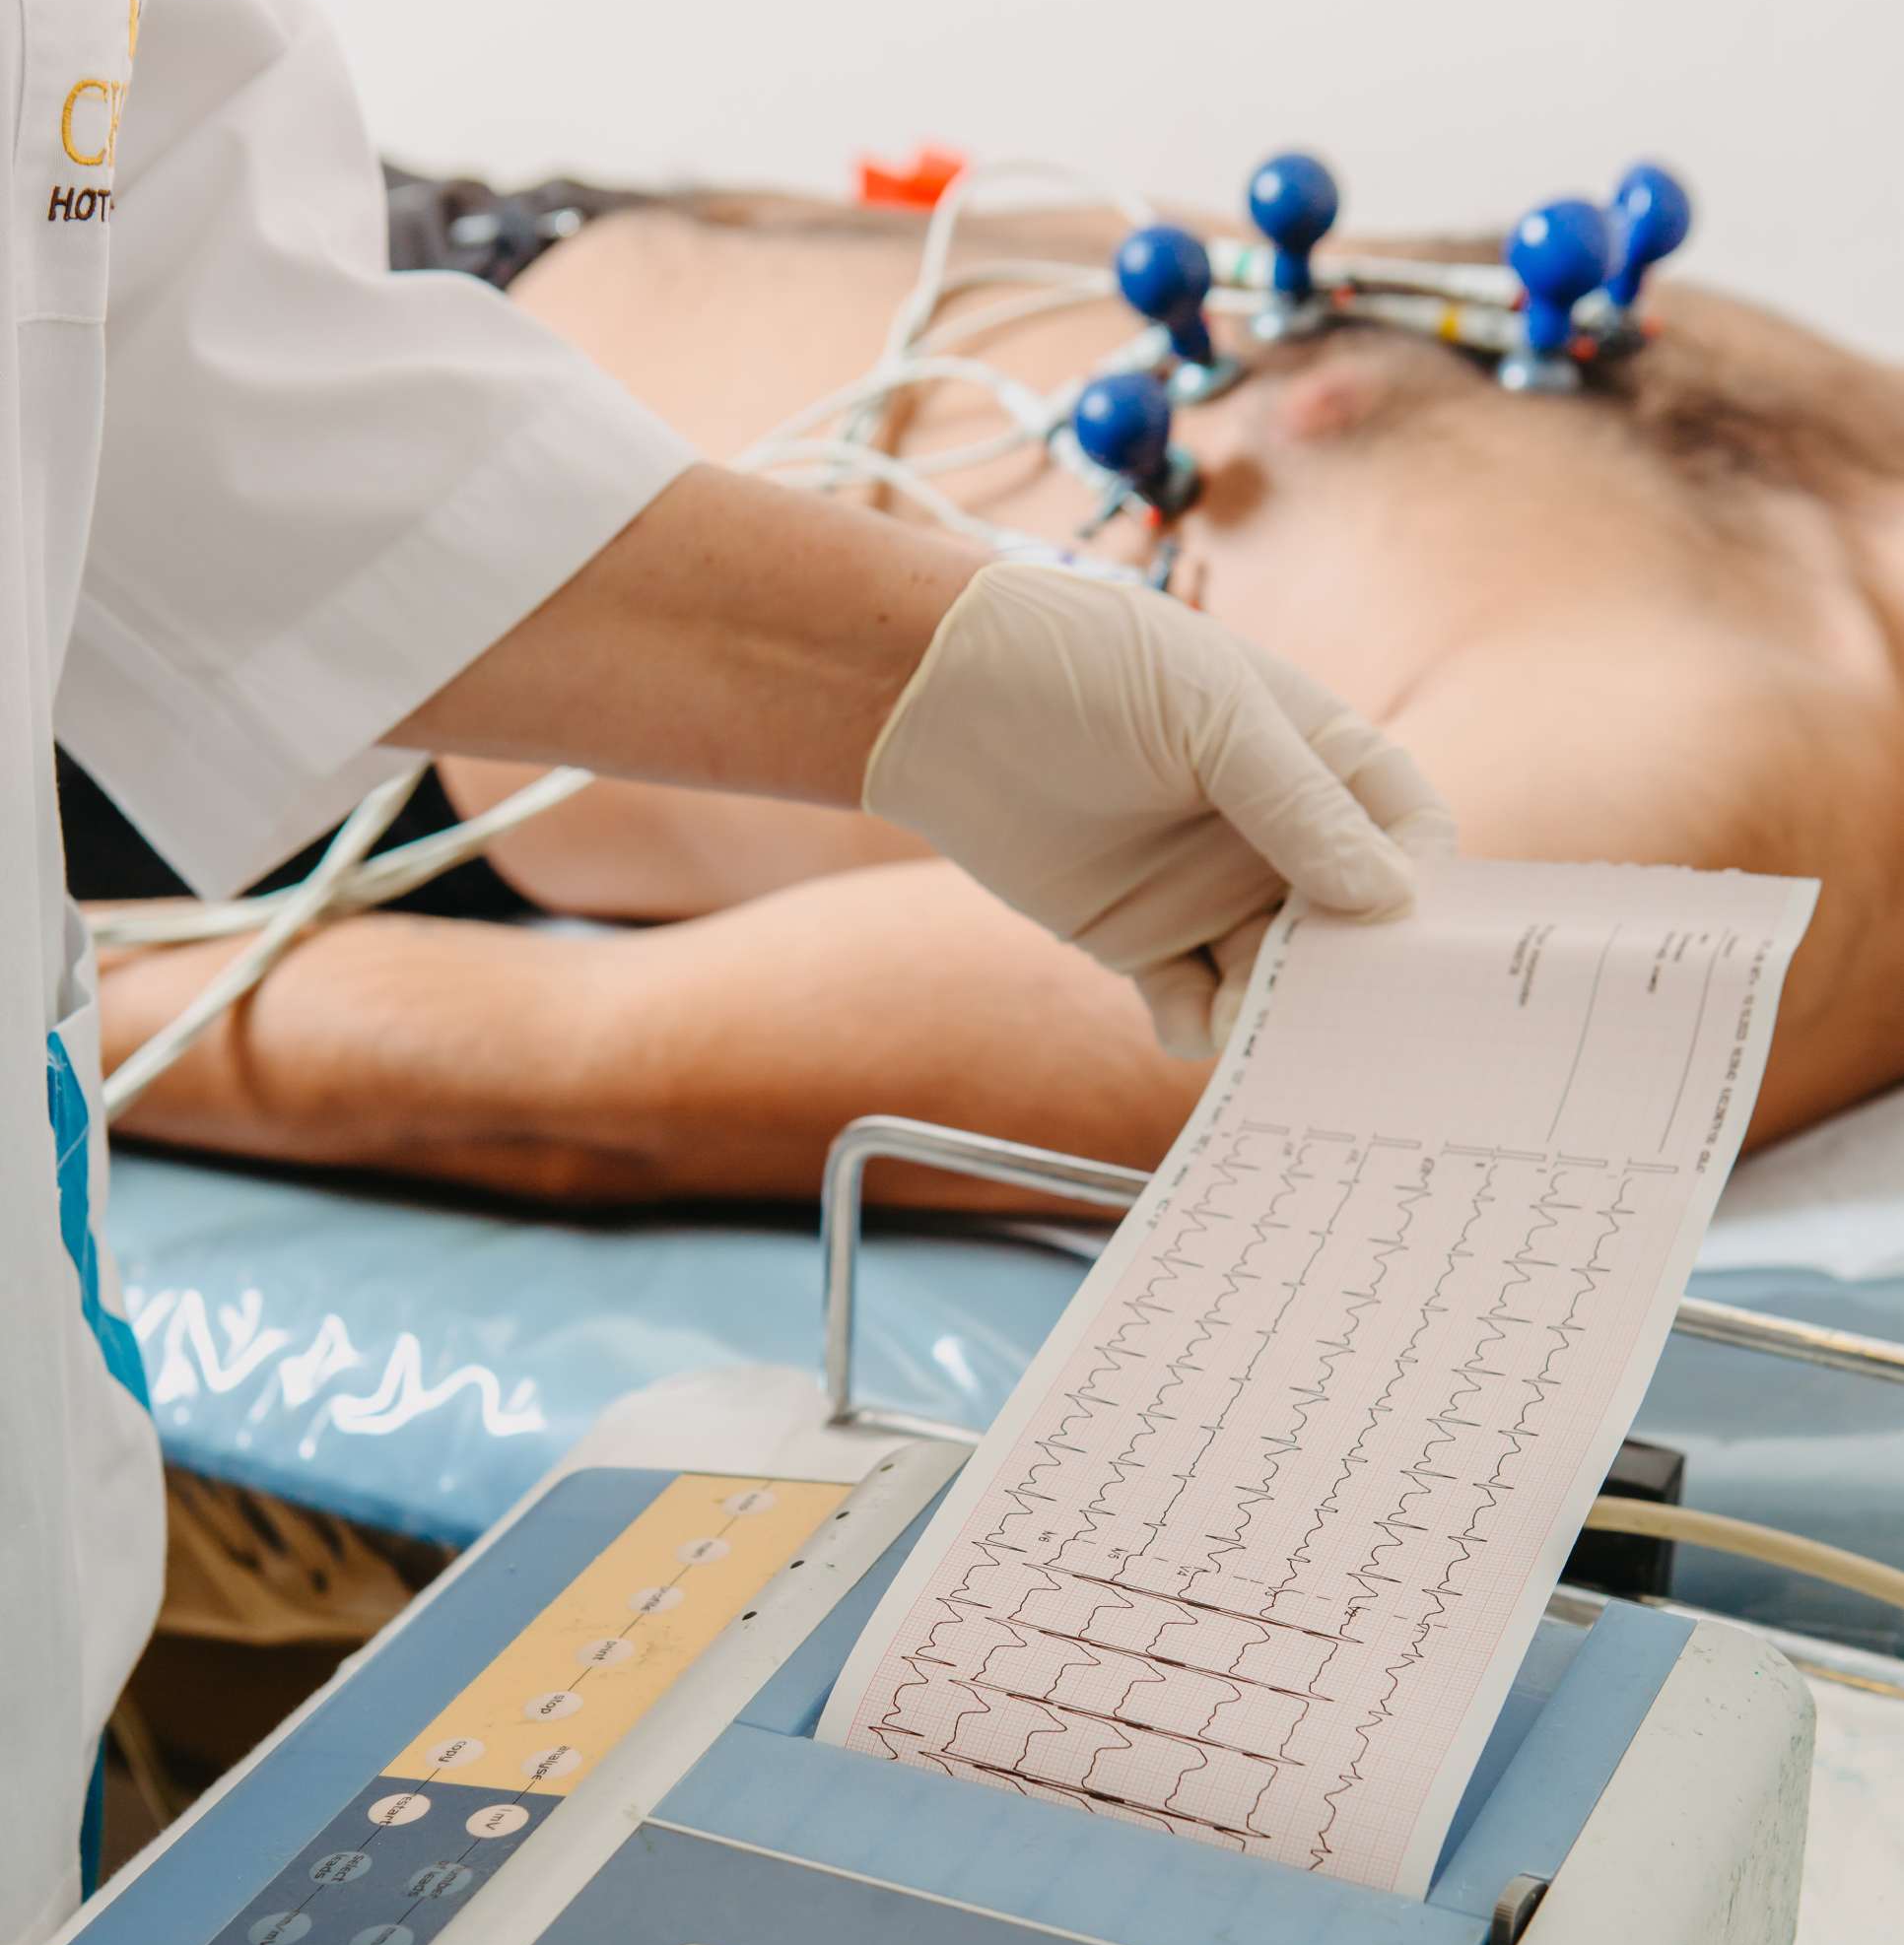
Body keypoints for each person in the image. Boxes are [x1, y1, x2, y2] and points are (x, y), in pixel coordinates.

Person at [0, 0, 1439, 1945]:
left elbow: (186, 378)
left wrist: (937, 671)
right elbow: (567, 1083)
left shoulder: (1697, 714)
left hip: (384, 548)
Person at [90, 173, 1904, 1209]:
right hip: (314, 236)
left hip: (260, 675)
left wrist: (51, 1007)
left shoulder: (1716, 840)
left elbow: (578, 1080)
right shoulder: (1848, 418)